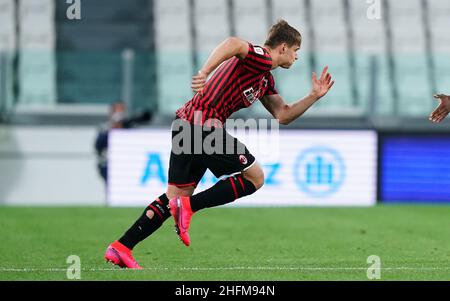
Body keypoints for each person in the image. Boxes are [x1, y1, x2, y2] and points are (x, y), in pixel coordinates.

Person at [104, 19, 334, 269]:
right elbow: (233, 43)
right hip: (203, 125)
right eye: (296, 51)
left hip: (186, 124)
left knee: (174, 197)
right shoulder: (262, 58)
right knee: (255, 178)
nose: (296, 57)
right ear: (282, 47)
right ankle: (188, 207)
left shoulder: (264, 79)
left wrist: (313, 96)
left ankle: (122, 247)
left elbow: (283, 114)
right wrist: (204, 72)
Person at [95, 102, 152, 183]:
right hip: (109, 165)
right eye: (117, 111)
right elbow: (98, 146)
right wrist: (113, 127)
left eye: (122, 111)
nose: (119, 114)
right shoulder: (105, 128)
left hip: (127, 165)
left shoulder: (130, 127)